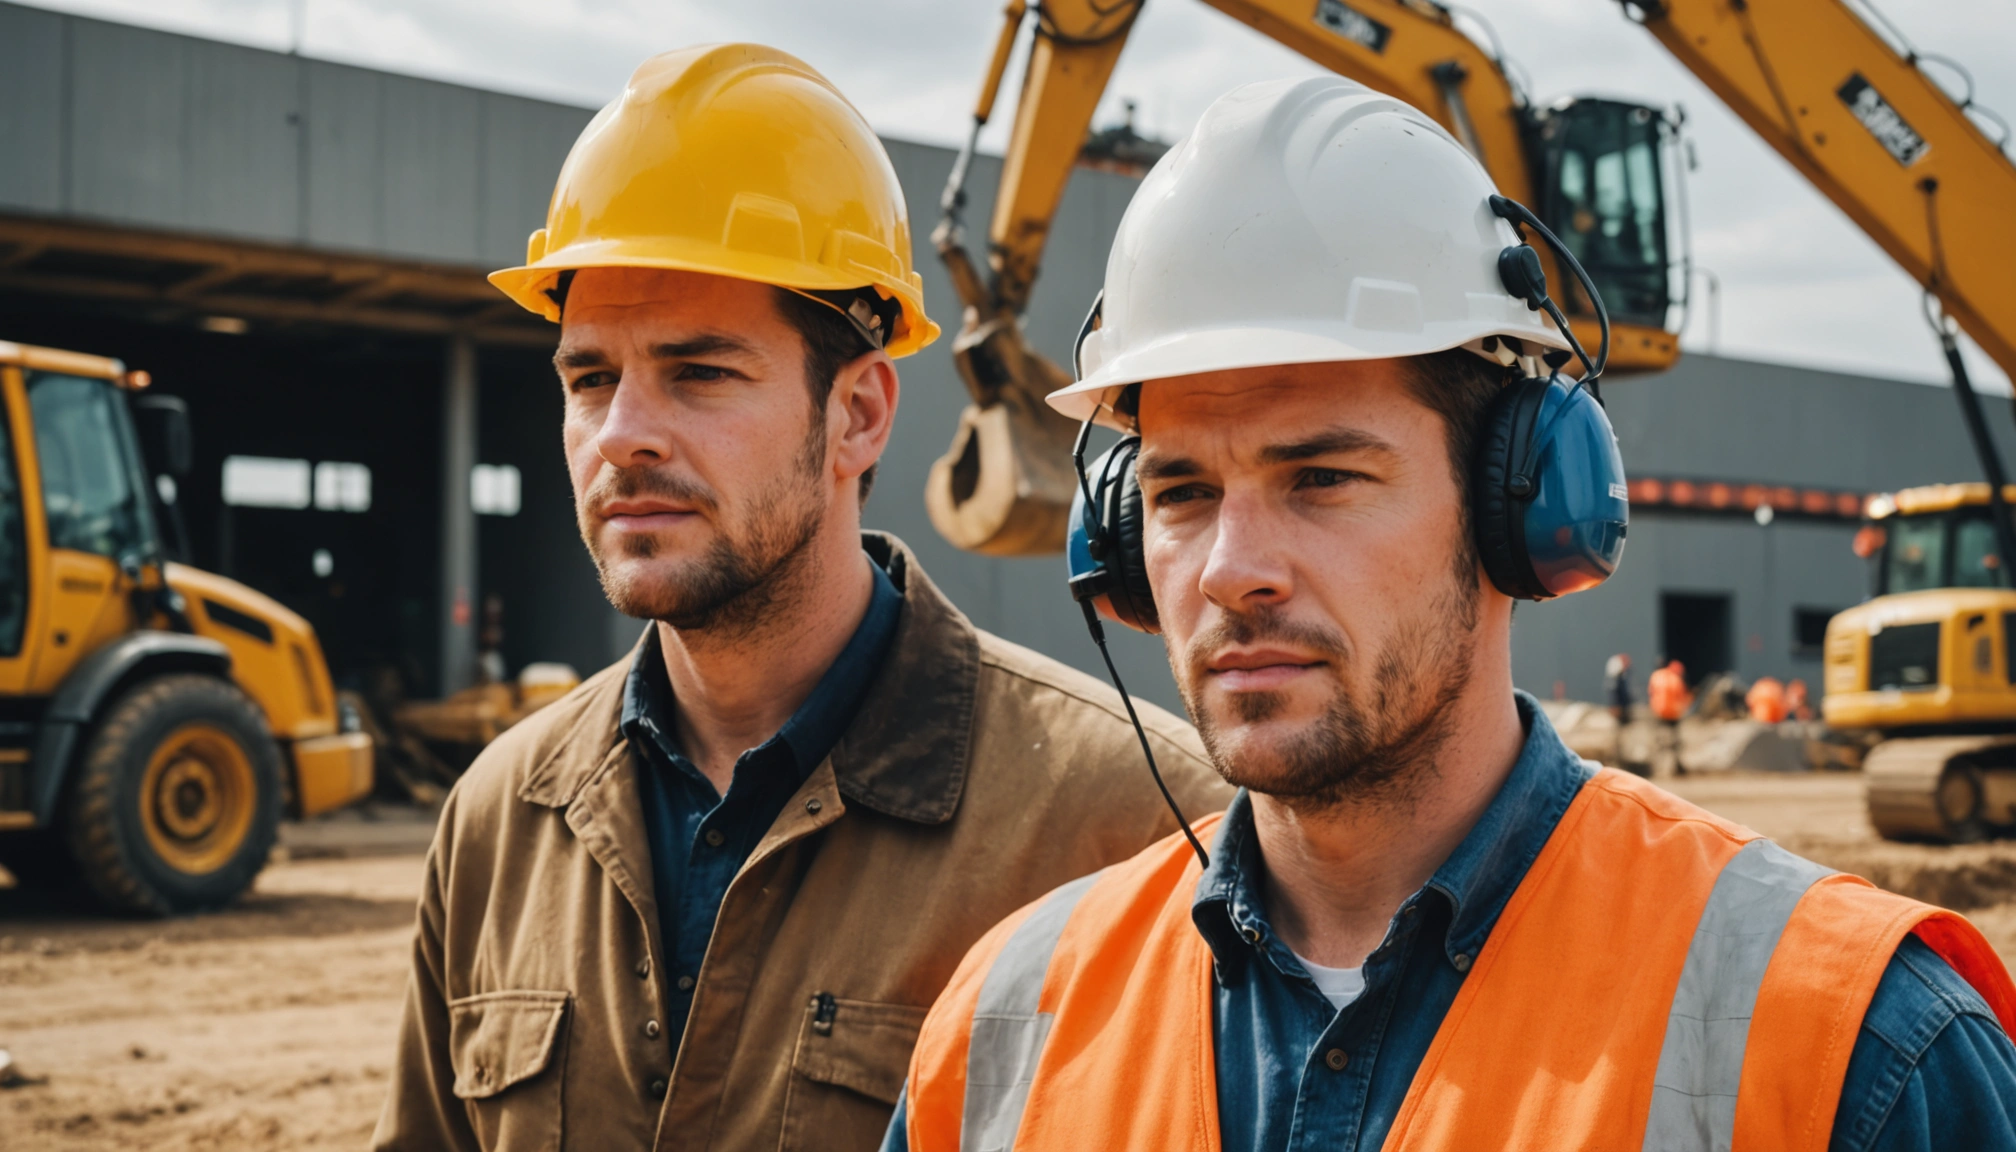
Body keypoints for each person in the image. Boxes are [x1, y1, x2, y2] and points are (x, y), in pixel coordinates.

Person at [890, 77, 2016, 1152]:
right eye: (1180, 493)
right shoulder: (1001, 1028)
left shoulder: (1851, 1042)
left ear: (1517, 505)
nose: (1232, 570)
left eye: (1321, 477)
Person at [371, 44, 1226, 1152]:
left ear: (860, 414)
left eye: (699, 372)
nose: (622, 433)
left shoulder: (1126, 821)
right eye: (590, 378)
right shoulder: (497, 822)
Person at [1649, 657, 1691, 776]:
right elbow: (1682, 697)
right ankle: (1675, 768)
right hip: (1673, 714)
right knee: (1675, 742)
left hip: (1659, 712)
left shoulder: (1656, 676)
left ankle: (1658, 769)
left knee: (1659, 741)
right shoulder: (1675, 679)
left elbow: (1652, 692)